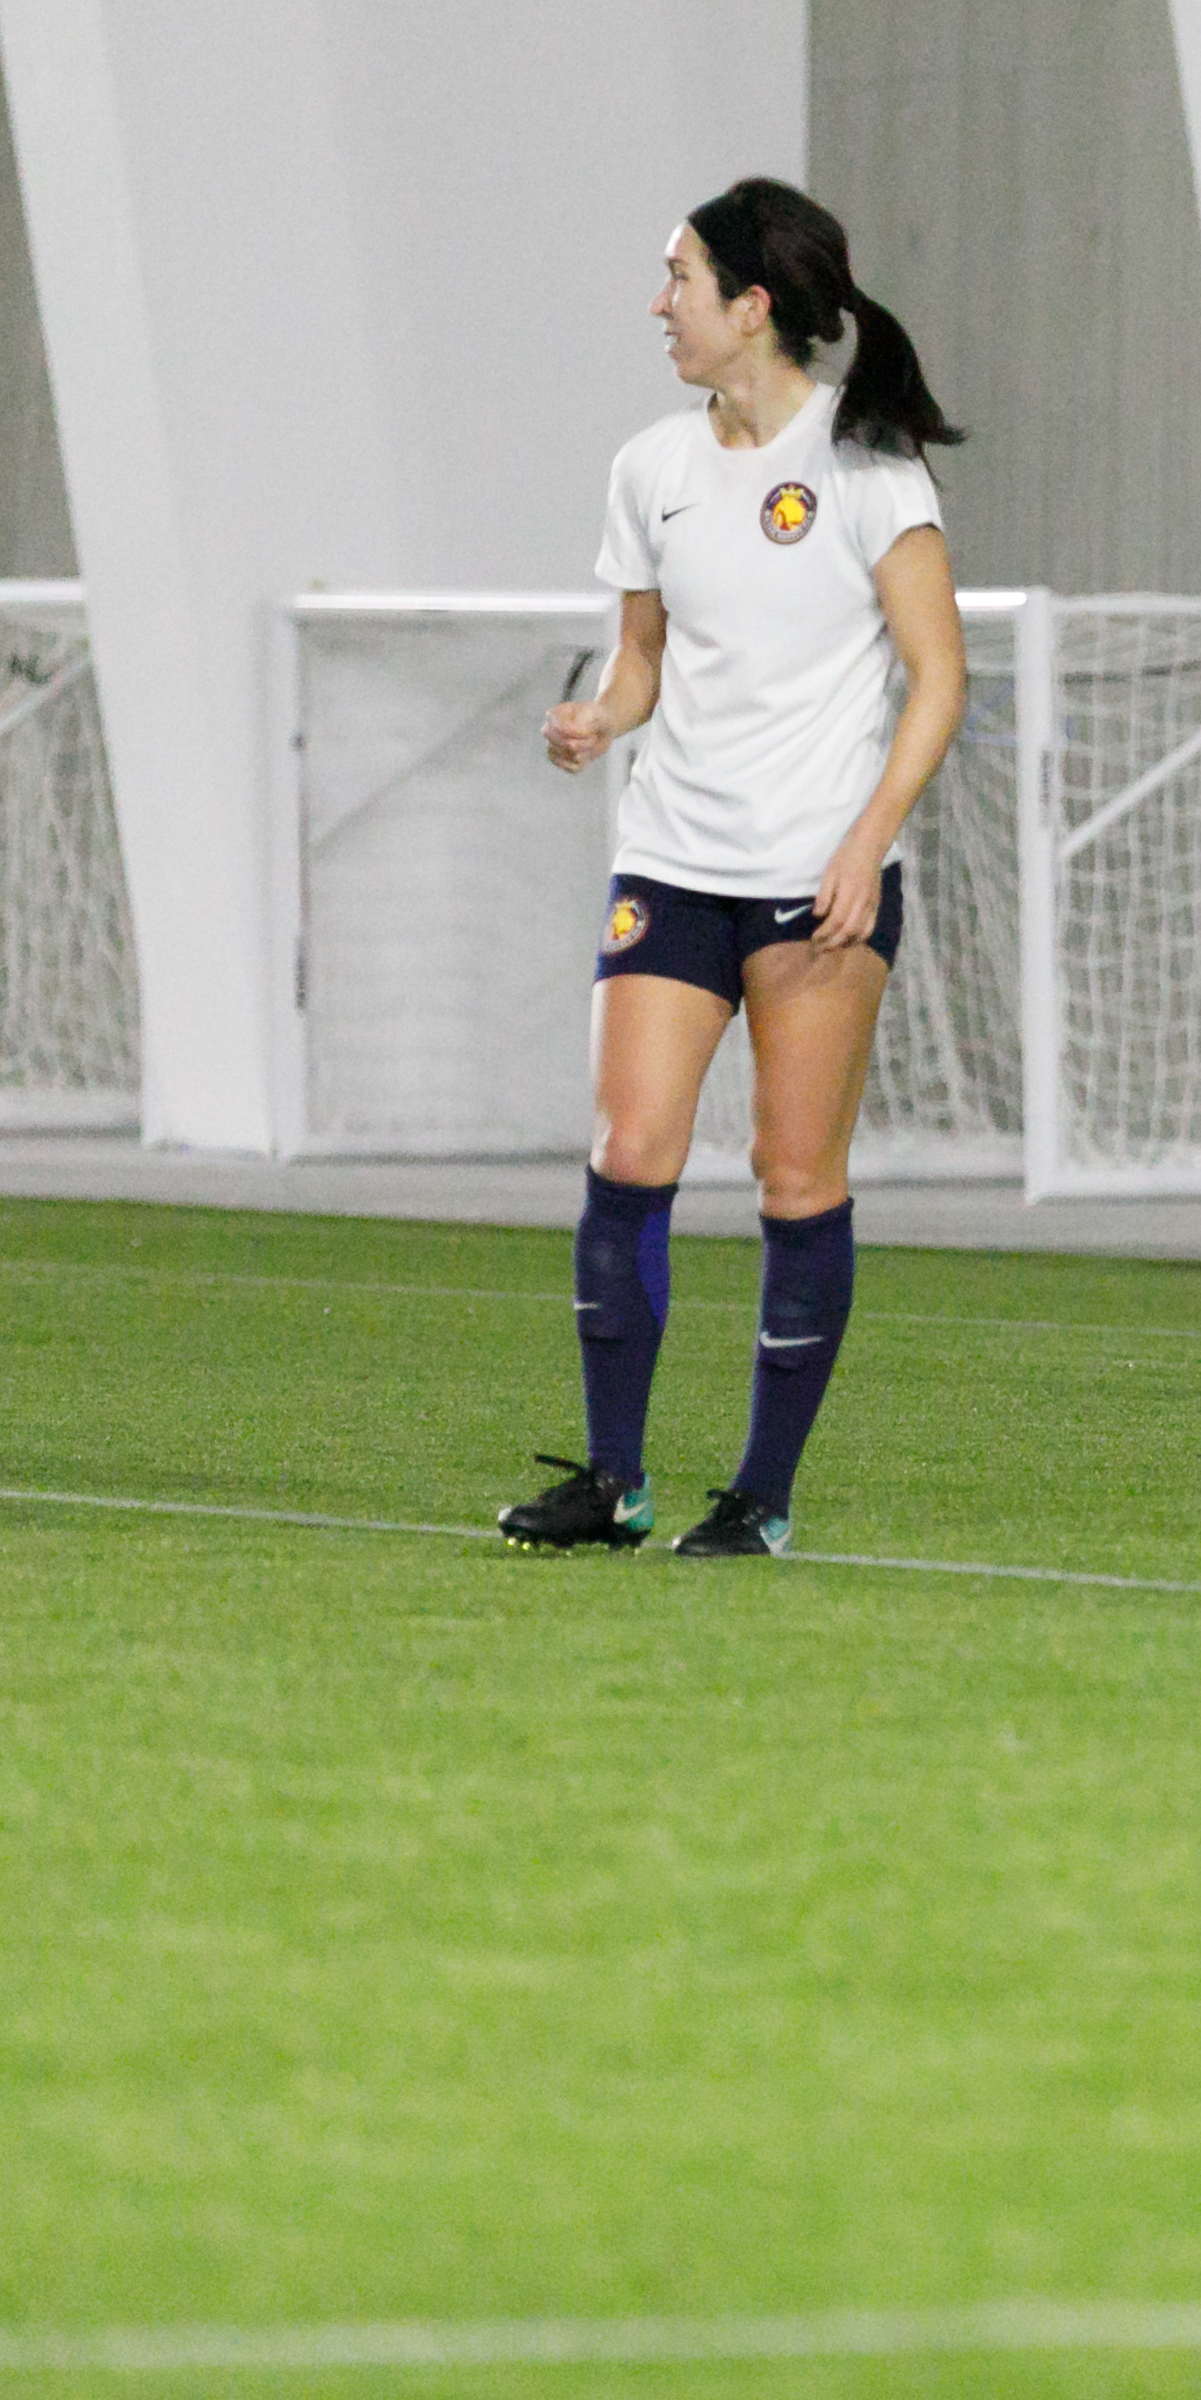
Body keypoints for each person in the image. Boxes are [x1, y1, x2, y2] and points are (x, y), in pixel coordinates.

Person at [497, 179, 967, 1559]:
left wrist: (866, 842)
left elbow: (936, 678)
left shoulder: (868, 464)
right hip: (672, 858)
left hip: (816, 877)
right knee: (626, 1148)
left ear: (751, 304)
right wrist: (602, 711)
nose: (660, 302)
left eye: (679, 277)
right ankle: (616, 1481)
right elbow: (642, 658)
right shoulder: (648, 467)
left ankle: (759, 1496)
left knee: (788, 1175)